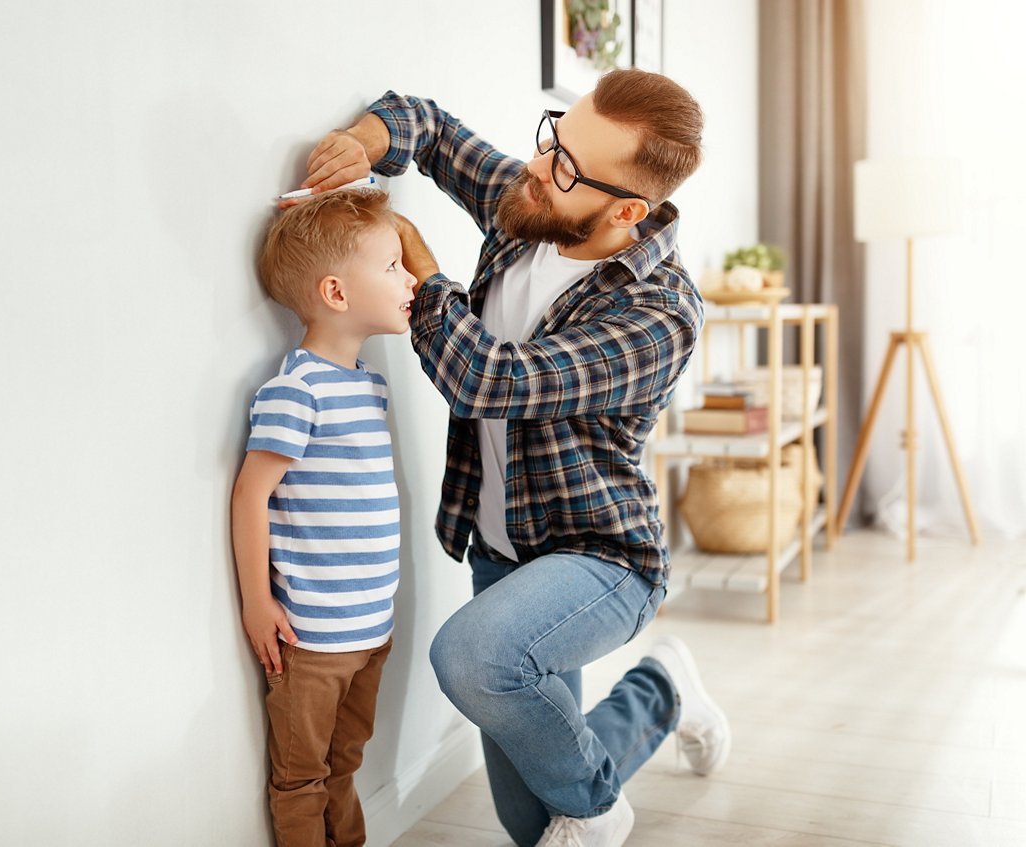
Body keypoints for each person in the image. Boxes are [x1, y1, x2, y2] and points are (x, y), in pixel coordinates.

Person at [290, 69, 731, 847]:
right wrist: (362, 142)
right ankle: (663, 690)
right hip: (502, 550)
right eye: (553, 135)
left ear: (627, 209)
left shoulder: (659, 314)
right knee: (531, 820)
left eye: (565, 164)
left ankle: (602, 810)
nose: (538, 164)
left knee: (470, 656)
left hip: (601, 557)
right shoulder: (542, 200)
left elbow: (491, 379)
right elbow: (428, 127)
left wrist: (422, 268)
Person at [230, 187, 416, 847]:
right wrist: (258, 601)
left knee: (347, 761)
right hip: (311, 639)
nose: (412, 278)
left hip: (371, 628)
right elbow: (253, 494)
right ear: (336, 292)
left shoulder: (369, 384)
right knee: (302, 776)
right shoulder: (296, 390)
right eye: (392, 265)